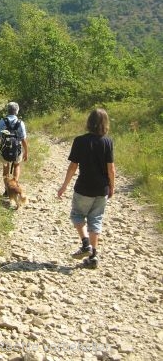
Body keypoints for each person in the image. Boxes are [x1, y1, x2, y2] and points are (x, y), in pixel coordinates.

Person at [57, 108, 115, 269]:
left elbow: (73, 166)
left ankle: (85, 244)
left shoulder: (80, 141)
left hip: (83, 188)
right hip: (101, 189)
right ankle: (94, 257)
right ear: (105, 124)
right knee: (96, 219)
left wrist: (64, 186)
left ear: (89, 122)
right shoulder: (108, 142)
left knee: (77, 215)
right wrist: (112, 187)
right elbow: (111, 169)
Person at [0, 102, 28, 193]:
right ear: (17, 111)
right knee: (16, 165)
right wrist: (26, 152)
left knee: (5, 168)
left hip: (4, 149)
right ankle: (14, 186)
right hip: (17, 150)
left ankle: (7, 190)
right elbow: (23, 139)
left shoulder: (2, 121)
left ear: (8, 110)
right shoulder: (20, 123)